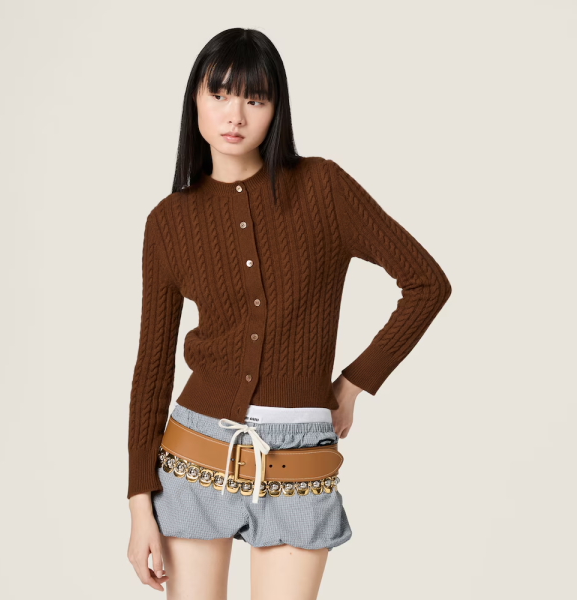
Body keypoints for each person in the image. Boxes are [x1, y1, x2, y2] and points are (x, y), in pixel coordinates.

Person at [126, 27, 452, 600]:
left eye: (255, 99)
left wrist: (352, 384)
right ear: (195, 100)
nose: (235, 115)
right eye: (219, 94)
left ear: (277, 109)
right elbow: (152, 369)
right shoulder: (168, 222)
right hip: (194, 455)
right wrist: (138, 504)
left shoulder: (322, 187)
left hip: (298, 461)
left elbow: (427, 283)